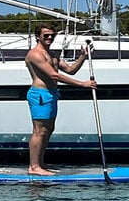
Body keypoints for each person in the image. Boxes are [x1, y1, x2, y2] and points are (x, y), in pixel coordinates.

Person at [24, 23, 96, 175]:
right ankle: (34, 167)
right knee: (39, 131)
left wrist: (83, 56)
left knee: (49, 129)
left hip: (51, 94)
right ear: (38, 36)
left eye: (52, 35)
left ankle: (40, 163)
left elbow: (70, 70)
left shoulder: (52, 54)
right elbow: (53, 75)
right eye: (46, 35)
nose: (50, 37)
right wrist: (83, 85)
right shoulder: (35, 54)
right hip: (40, 95)